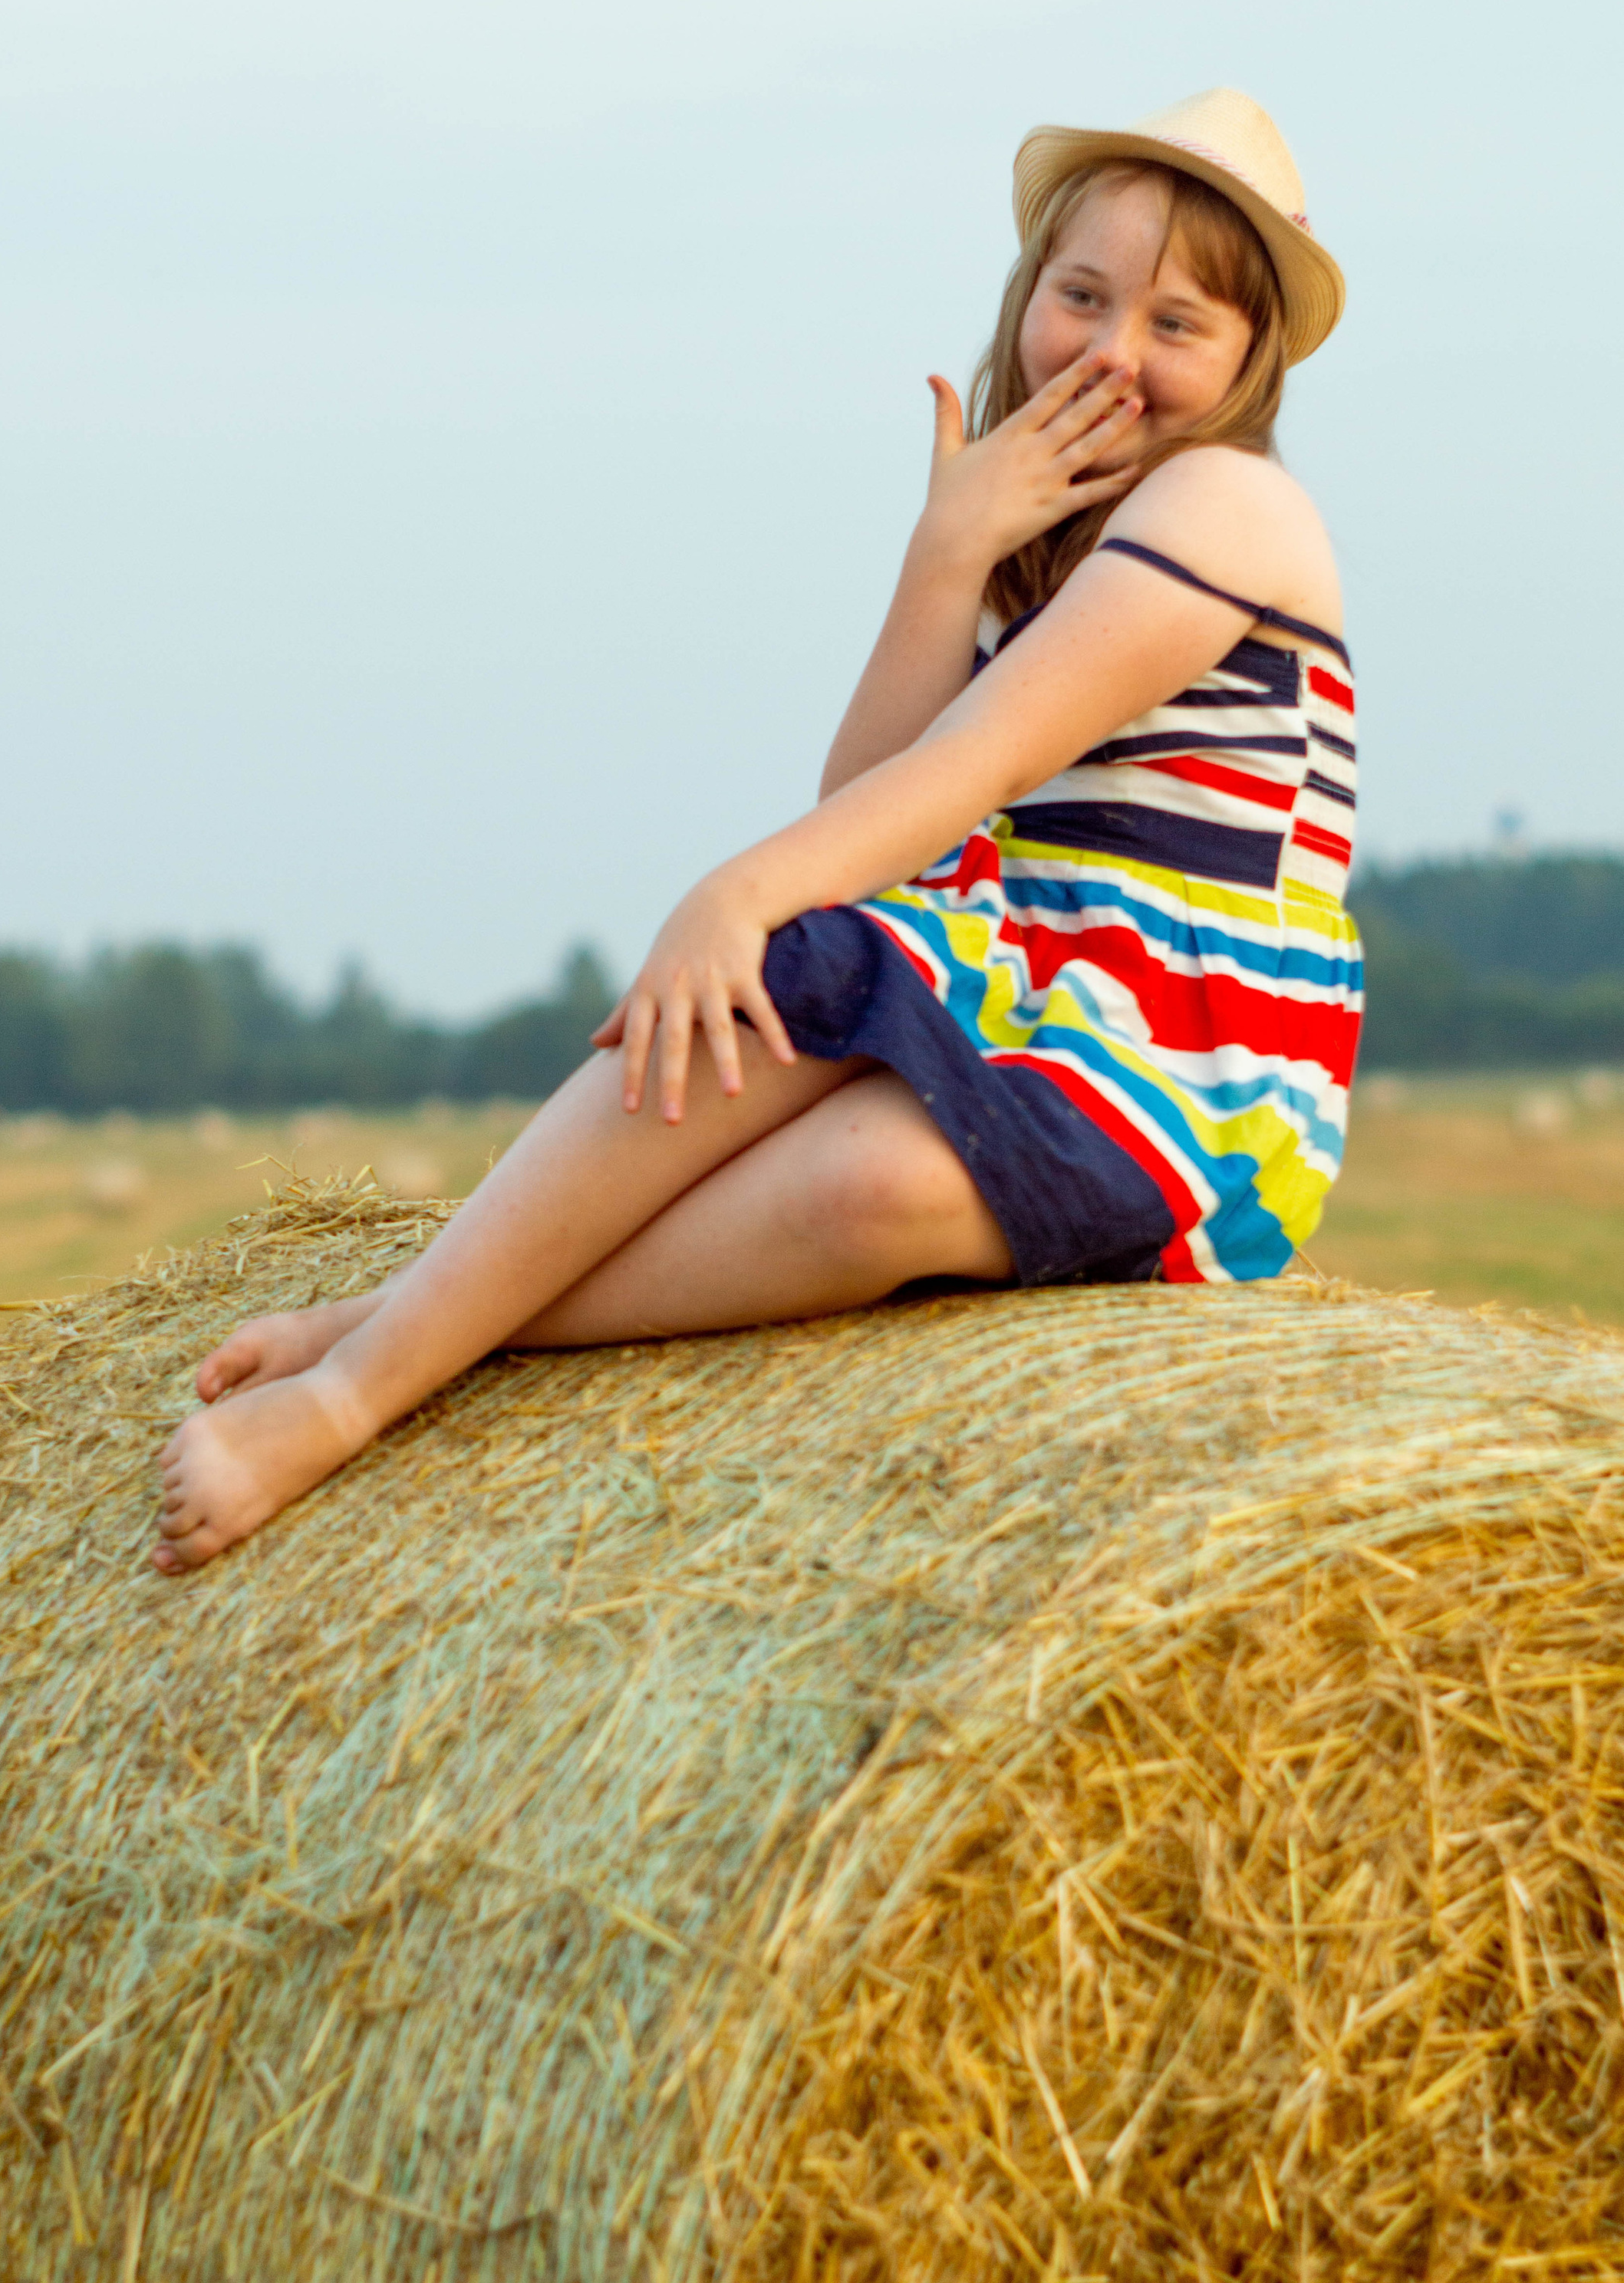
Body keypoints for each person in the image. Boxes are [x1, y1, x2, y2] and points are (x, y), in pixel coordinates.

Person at [153, 87, 1359, 1573]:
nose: (1110, 352)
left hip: (1193, 1070)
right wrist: (947, 552)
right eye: (1080, 296)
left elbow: (963, 765)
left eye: (1175, 325)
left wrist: (723, 896)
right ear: (1023, 299)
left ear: (1250, 366)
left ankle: (377, 1357)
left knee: (831, 1067)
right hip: (1040, 1005)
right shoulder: (1050, 550)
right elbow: (868, 804)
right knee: (828, 1001)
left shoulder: (1227, 508)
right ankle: (395, 1344)